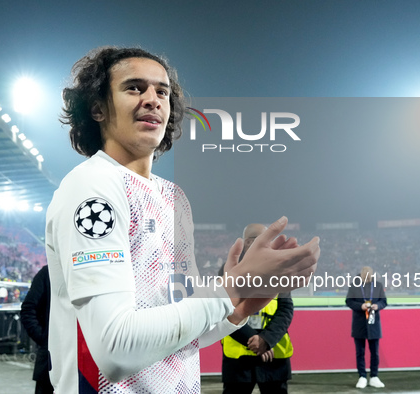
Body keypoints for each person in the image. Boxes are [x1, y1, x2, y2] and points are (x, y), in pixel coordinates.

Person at [47, 46, 320, 393]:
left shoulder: (174, 199)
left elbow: (180, 336)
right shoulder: (92, 187)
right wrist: (230, 288)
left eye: (162, 91)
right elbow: (115, 351)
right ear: (98, 109)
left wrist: (239, 310)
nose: (152, 99)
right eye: (134, 87)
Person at [220, 224, 294, 394]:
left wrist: (266, 340)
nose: (270, 244)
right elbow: (223, 311)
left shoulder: (281, 270)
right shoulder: (228, 269)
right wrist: (253, 339)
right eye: (265, 239)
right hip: (239, 361)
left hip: (273, 356)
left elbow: (286, 309)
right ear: (248, 243)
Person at [345, 266, 387, 389]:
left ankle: (374, 376)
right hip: (359, 324)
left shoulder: (378, 285)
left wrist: (377, 306)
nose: (367, 276)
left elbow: (384, 301)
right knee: (360, 352)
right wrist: (361, 306)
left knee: (375, 352)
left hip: (374, 323)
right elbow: (349, 301)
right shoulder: (354, 285)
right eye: (365, 274)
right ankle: (362, 376)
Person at [21, 265, 53, 394]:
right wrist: (45, 339)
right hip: (49, 363)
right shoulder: (48, 273)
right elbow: (28, 310)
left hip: (84, 363)